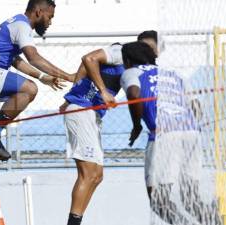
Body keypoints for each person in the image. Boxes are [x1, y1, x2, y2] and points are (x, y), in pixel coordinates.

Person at [59, 32, 158, 225]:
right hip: (82, 109)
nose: (152, 52)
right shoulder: (121, 52)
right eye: (150, 47)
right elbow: (88, 59)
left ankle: (76, 221)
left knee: (97, 176)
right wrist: (97, 91)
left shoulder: (139, 68)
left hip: (92, 114)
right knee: (88, 174)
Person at [0, 0, 73, 161]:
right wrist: (68, 76)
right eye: (49, 17)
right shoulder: (22, 26)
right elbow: (34, 58)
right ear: (38, 12)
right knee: (29, 89)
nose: (50, 22)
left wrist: (42, 77)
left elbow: (15, 60)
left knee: (24, 92)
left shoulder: (16, 23)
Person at [122, 42, 221, 225]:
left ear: (127, 60)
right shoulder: (175, 74)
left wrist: (137, 126)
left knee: (158, 199)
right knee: (190, 196)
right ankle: (216, 221)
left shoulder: (132, 72)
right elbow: (196, 106)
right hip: (191, 133)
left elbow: (134, 95)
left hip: (164, 135)